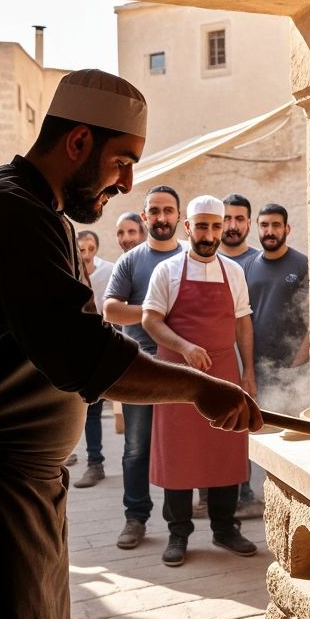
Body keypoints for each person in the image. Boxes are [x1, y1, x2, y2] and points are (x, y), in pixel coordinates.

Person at [0, 69, 260, 619]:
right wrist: (194, 386)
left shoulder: (40, 211)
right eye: (122, 162)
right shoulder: (10, 212)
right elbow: (82, 353)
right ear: (78, 142)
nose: (128, 182)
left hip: (12, 488)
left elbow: (74, 334)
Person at [142, 194, 257, 567]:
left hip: (224, 374)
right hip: (176, 378)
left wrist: (248, 374)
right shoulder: (167, 272)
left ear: (223, 228)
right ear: (188, 227)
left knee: (226, 449)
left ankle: (225, 528)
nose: (209, 234)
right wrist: (185, 346)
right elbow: (150, 320)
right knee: (178, 453)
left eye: (216, 226)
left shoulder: (234, 272)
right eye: (202, 226)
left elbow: (243, 322)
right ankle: (178, 534)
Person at [102, 186, 184, 549]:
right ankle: (135, 518)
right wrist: (154, 315)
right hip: (139, 365)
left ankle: (179, 525)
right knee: (136, 448)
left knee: (180, 446)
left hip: (182, 367)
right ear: (144, 215)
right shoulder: (131, 261)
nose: (161, 217)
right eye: (155, 211)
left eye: (168, 211)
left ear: (179, 217)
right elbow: (110, 310)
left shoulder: (192, 259)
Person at [244, 203, 310, 407]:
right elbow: (243, 319)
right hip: (258, 370)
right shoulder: (248, 265)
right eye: (264, 225)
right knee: (262, 431)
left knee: (296, 432)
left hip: (295, 370)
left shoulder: (303, 264)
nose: (270, 231)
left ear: (287, 229)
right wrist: (248, 368)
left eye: (276, 225)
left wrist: (297, 366)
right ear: (257, 228)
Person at [70, 229, 115, 486]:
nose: (85, 254)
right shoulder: (66, 271)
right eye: (81, 249)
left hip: (99, 349)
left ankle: (95, 462)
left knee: (95, 409)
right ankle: (78, 457)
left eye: (89, 249)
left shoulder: (107, 272)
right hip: (73, 350)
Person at [220, 192, 260, 266]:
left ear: (249, 223)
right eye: (227, 219)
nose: (233, 226)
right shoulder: (205, 259)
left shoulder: (262, 262)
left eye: (240, 219)